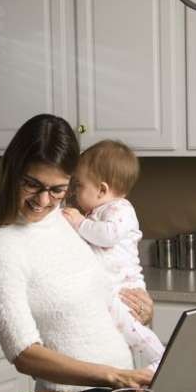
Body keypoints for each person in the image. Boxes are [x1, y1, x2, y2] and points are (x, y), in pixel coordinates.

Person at [0, 113, 155, 392]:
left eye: (58, 189)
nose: (44, 200)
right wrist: (114, 376)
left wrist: (141, 311)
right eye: (32, 184)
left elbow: (98, 306)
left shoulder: (71, 222)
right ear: (12, 171)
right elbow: (24, 354)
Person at [62, 140, 165, 371]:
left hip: (124, 287)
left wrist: (79, 223)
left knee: (130, 328)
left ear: (102, 189)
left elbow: (107, 236)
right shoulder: (97, 211)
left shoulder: (120, 209)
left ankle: (161, 360)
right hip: (110, 288)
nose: (74, 192)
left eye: (79, 186)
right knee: (124, 328)